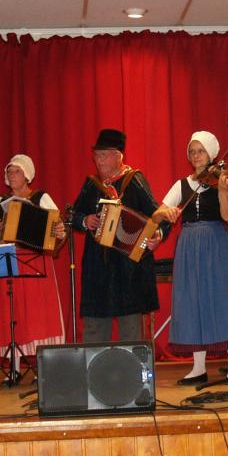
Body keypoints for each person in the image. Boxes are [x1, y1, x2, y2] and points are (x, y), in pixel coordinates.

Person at [155, 131, 228, 385]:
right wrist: (167, 211)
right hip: (189, 244)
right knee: (191, 301)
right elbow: (157, 211)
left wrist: (222, 192)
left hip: (216, 242)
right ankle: (198, 367)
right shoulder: (182, 185)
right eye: (192, 151)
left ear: (211, 154)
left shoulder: (221, 180)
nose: (195, 156)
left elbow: (227, 217)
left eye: (200, 151)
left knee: (223, 298)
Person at [67, 129, 169, 343]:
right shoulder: (91, 184)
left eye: (103, 155)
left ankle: (131, 374)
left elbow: (158, 214)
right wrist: (85, 221)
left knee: (130, 327)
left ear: (118, 156)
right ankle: (94, 372)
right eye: (96, 155)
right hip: (97, 266)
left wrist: (157, 235)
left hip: (127, 268)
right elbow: (72, 215)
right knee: (94, 326)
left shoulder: (134, 180)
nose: (98, 161)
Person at [0, 154, 68, 371]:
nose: (12, 175)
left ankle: (42, 367)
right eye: (9, 172)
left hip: (34, 259)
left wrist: (59, 232)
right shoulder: (1, 202)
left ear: (27, 175)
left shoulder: (41, 198)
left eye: (16, 171)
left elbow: (58, 228)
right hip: (8, 258)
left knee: (38, 312)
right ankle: (14, 367)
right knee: (13, 311)